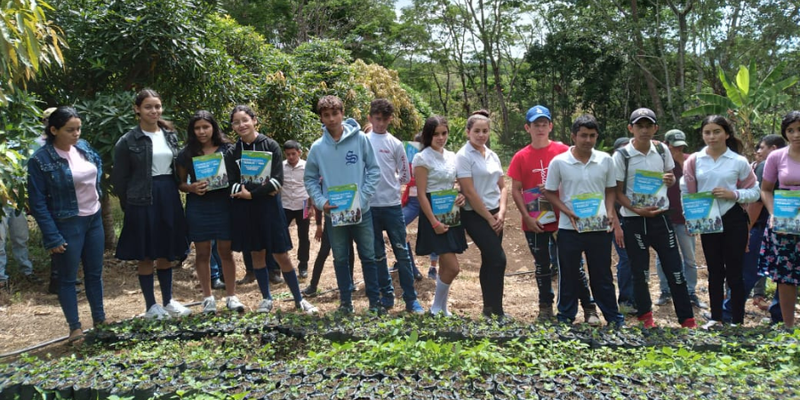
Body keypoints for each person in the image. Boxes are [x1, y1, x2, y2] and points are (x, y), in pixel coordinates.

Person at [509, 105, 600, 322]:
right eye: (535, 125)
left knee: (574, 265)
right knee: (542, 266)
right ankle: (545, 307)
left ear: (550, 126)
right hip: (536, 220)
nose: (540, 128)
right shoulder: (521, 156)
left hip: (564, 219)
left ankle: (588, 307)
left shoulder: (563, 151)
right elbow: (515, 189)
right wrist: (527, 218)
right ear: (527, 128)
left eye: (544, 124)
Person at [226, 105, 317, 314]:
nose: (241, 125)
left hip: (270, 209)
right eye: (236, 122)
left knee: (281, 254)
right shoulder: (233, 152)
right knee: (257, 254)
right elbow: (230, 184)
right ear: (233, 126)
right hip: (247, 211)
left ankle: (298, 299)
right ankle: (266, 298)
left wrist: (251, 193)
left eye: (245, 120)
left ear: (254, 120)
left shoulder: (271, 146)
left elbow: (277, 182)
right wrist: (251, 191)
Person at [112, 89, 191, 319]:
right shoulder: (127, 141)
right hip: (142, 200)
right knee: (146, 254)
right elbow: (120, 179)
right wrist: (131, 205)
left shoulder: (169, 135)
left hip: (168, 195)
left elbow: (178, 167)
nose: (154, 111)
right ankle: (151, 306)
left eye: (157, 106)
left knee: (166, 251)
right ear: (137, 109)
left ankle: (167, 301)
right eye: (148, 107)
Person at [28, 106, 105, 342]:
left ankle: (101, 322)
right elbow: (37, 202)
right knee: (68, 278)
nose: (76, 134)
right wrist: (52, 235)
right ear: (54, 130)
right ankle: (75, 329)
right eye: (70, 130)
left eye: (79, 129)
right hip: (67, 223)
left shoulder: (83, 148)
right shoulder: (40, 160)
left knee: (94, 274)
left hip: (93, 219)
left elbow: (97, 166)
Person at [613, 109, 696, 329]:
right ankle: (646, 319)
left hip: (661, 218)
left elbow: (668, 178)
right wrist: (636, 210)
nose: (644, 130)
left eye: (648, 126)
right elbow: (616, 192)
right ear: (631, 128)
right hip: (634, 220)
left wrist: (669, 180)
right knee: (640, 273)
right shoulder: (622, 155)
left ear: (655, 128)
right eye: (639, 126)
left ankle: (687, 320)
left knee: (675, 269)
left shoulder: (661, 150)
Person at [543, 115, 624, 327]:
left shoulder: (605, 160)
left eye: (592, 136)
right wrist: (566, 212)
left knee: (602, 275)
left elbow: (610, 189)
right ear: (573, 136)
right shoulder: (559, 162)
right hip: (570, 229)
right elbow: (550, 192)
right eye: (583, 135)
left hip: (598, 227)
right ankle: (565, 317)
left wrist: (609, 212)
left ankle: (613, 318)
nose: (587, 140)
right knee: (568, 275)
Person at [304, 95, 382, 314]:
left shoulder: (360, 139)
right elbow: (310, 178)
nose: (331, 119)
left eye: (335, 113)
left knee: (368, 255)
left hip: (362, 212)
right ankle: (346, 303)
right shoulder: (317, 148)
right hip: (334, 214)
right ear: (321, 118)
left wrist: (363, 197)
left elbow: (374, 170)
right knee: (339, 257)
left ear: (342, 113)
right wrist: (321, 202)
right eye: (326, 115)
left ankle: (374, 303)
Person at [682, 115, 759, 329]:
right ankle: (716, 318)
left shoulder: (738, 161)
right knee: (714, 271)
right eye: (707, 132)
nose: (712, 136)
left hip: (733, 218)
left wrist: (732, 194)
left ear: (726, 134)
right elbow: (686, 191)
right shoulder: (694, 160)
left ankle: (737, 321)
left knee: (735, 272)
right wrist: (691, 218)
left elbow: (755, 191)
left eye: (717, 131)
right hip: (707, 222)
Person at [175, 111, 243, 314]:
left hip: (224, 205)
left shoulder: (228, 149)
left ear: (213, 127)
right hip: (199, 207)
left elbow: (239, 174)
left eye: (206, 127)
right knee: (202, 253)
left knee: (225, 252)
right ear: (192, 131)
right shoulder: (186, 153)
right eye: (197, 128)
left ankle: (231, 296)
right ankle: (207, 298)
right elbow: (180, 183)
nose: (202, 131)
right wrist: (192, 187)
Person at [366, 99, 424, 313]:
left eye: (384, 119)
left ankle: (411, 299)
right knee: (378, 254)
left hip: (391, 205)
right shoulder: (362, 141)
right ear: (370, 118)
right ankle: (387, 297)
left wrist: (392, 183)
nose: (380, 123)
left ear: (390, 119)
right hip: (370, 207)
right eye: (377, 119)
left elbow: (406, 175)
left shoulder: (395, 143)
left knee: (402, 252)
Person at [412, 116, 467, 316]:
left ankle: (441, 309)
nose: (441, 137)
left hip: (451, 213)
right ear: (428, 135)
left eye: (444, 133)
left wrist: (460, 194)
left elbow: (456, 183)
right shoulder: (422, 158)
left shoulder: (452, 156)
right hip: (433, 215)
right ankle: (436, 307)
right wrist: (433, 222)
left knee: (446, 266)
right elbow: (421, 193)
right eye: (436, 134)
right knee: (453, 268)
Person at [651, 130, 708, 310]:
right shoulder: (657, 160)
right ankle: (665, 290)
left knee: (689, 257)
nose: (678, 149)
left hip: (685, 217)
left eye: (681, 146)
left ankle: (690, 291)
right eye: (674, 146)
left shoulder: (691, 160)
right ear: (666, 145)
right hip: (664, 215)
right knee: (662, 256)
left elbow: (698, 182)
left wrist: (681, 161)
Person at [759, 111, 800, 329]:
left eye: (799, 129)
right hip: (784, 225)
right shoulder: (776, 157)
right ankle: (788, 326)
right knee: (786, 277)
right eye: (790, 130)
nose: (796, 135)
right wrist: (773, 213)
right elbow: (765, 190)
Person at [743, 135, 785, 313]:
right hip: (788, 226)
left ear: (773, 149)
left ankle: (730, 310)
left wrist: (747, 228)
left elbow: (757, 202)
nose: (758, 151)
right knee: (784, 273)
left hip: (762, 227)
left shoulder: (765, 166)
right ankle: (779, 313)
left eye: (761, 147)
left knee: (748, 270)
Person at [401, 132, 436, 280]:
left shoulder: (433, 159)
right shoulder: (411, 160)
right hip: (414, 201)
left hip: (429, 200)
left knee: (435, 230)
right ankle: (407, 264)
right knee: (398, 225)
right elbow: (405, 179)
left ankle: (433, 267)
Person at [280, 140, 313, 279]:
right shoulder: (281, 166)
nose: (291, 157)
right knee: (280, 234)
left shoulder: (307, 167)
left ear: (299, 152)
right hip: (285, 205)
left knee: (303, 235)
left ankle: (303, 265)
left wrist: (311, 206)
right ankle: (280, 264)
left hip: (303, 204)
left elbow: (311, 186)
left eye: (293, 154)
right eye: (288, 154)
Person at [610, 137, 635, 313]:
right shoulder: (611, 172)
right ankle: (625, 301)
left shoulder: (636, 171)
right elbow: (609, 201)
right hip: (618, 222)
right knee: (626, 259)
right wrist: (617, 227)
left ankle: (636, 299)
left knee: (635, 260)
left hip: (635, 220)